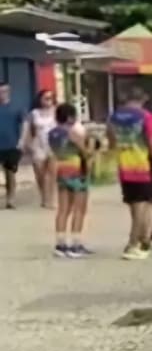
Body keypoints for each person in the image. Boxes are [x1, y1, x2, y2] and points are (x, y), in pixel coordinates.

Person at [108, 87, 152, 260]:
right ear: (144, 98)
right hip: (143, 166)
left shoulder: (114, 117)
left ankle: (144, 240)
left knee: (136, 205)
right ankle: (132, 244)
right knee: (142, 206)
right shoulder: (146, 117)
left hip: (124, 165)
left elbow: (110, 140)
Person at [49, 104, 92, 257]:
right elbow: (85, 153)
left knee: (63, 210)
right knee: (79, 209)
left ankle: (60, 244)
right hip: (76, 171)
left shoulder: (52, 133)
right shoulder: (73, 133)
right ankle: (75, 244)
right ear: (70, 117)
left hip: (61, 170)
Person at [23, 89, 57, 210]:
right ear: (40, 99)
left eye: (51, 98)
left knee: (52, 174)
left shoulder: (56, 112)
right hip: (38, 145)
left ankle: (51, 200)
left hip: (53, 145)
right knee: (40, 174)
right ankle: (43, 196)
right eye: (46, 98)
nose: (49, 101)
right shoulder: (34, 113)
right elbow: (27, 129)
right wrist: (26, 144)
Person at [0, 83, 24, 210]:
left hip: (11, 145)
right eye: (0, 91)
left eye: (4, 91)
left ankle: (11, 199)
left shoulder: (16, 107)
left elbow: (24, 124)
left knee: (10, 173)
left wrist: (22, 140)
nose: (2, 94)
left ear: (8, 92)